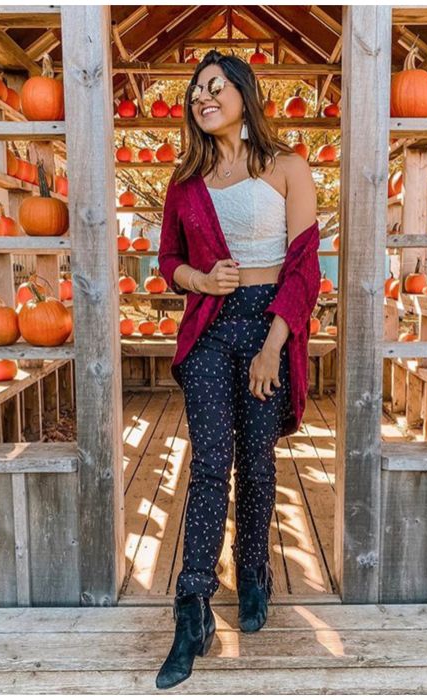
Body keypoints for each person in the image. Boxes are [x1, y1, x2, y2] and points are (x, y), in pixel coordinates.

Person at [153, 51, 321, 689]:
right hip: (208, 330)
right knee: (210, 460)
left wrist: (275, 343)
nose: (202, 97)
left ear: (244, 95)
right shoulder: (184, 181)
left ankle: (253, 574)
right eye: (195, 90)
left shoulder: (288, 168)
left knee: (257, 458)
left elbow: (305, 268)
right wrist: (199, 277)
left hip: (269, 325)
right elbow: (167, 260)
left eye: (213, 86)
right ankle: (191, 605)